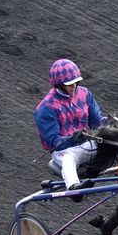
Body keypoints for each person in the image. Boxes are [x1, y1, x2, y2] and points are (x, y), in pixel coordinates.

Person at [34, 59, 107, 201]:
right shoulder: (46, 108)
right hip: (66, 151)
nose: (74, 85)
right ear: (58, 84)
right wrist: (74, 138)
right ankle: (74, 189)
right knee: (68, 159)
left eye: (76, 81)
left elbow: (97, 123)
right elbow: (53, 142)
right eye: (69, 84)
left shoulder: (85, 94)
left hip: (88, 144)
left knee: (115, 140)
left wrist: (109, 124)